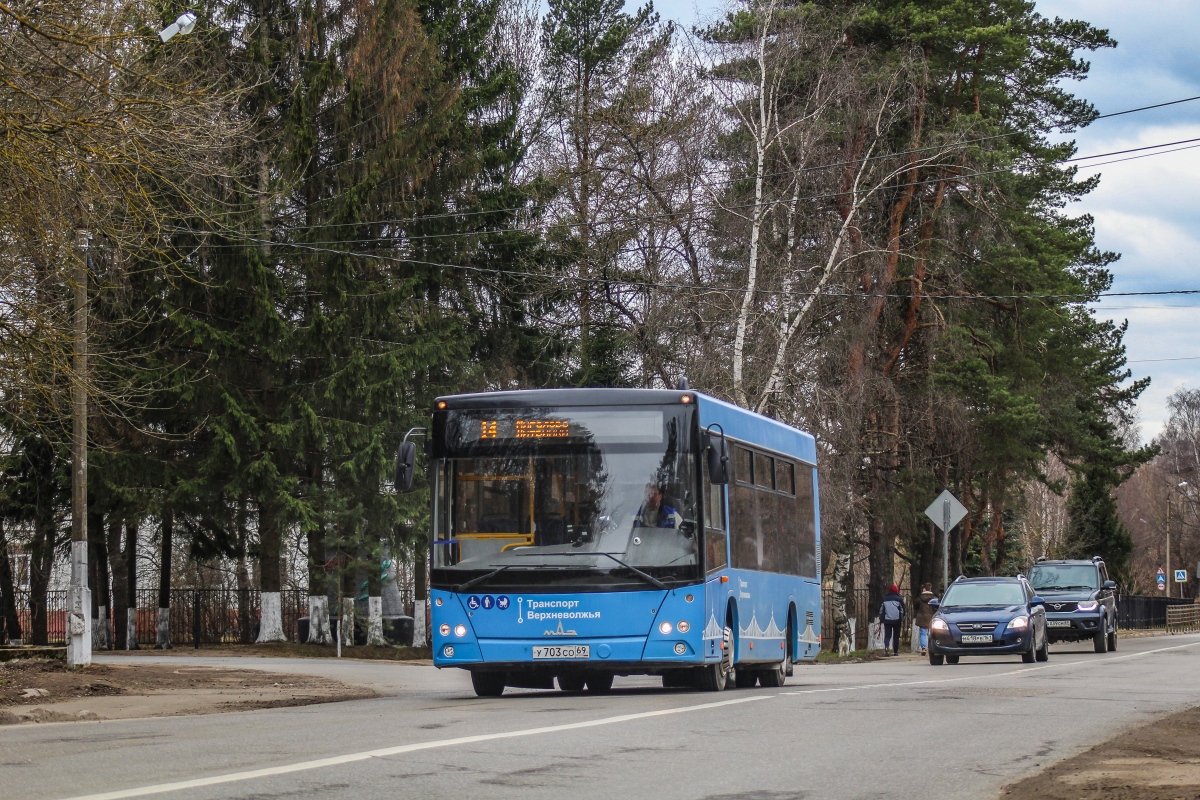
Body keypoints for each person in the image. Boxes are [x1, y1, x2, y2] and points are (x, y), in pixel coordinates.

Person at [878, 584, 906, 655]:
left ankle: (887, 647)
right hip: (897, 621)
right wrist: (902, 617)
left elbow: (881, 610)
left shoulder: (884, 598)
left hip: (887, 620)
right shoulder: (899, 599)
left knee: (887, 635)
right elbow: (903, 610)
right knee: (896, 636)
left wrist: (881, 617)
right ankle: (895, 652)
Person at [915, 583, 937, 655]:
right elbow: (936, 608)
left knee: (923, 633)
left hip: (922, 618)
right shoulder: (934, 598)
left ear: (924, 589)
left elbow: (915, 606)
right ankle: (932, 647)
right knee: (932, 633)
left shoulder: (919, 598)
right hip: (931, 617)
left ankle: (924, 648)